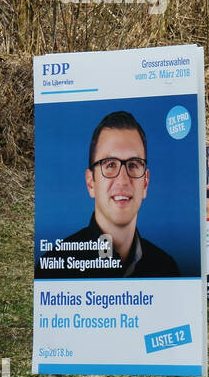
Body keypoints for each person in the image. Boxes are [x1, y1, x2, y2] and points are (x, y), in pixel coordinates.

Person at [38, 110, 180, 278]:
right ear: (91, 182)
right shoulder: (55, 268)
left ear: (146, 183)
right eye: (110, 164)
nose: (123, 180)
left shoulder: (166, 269)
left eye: (133, 165)